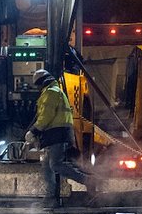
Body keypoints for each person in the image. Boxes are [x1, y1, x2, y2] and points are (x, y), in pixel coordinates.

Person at [25, 69, 92, 201]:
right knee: (47, 167)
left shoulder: (50, 93)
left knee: (55, 164)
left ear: (41, 82)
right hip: (56, 134)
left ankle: (88, 181)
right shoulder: (55, 91)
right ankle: (50, 198)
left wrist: (34, 130)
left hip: (56, 134)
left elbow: (46, 116)